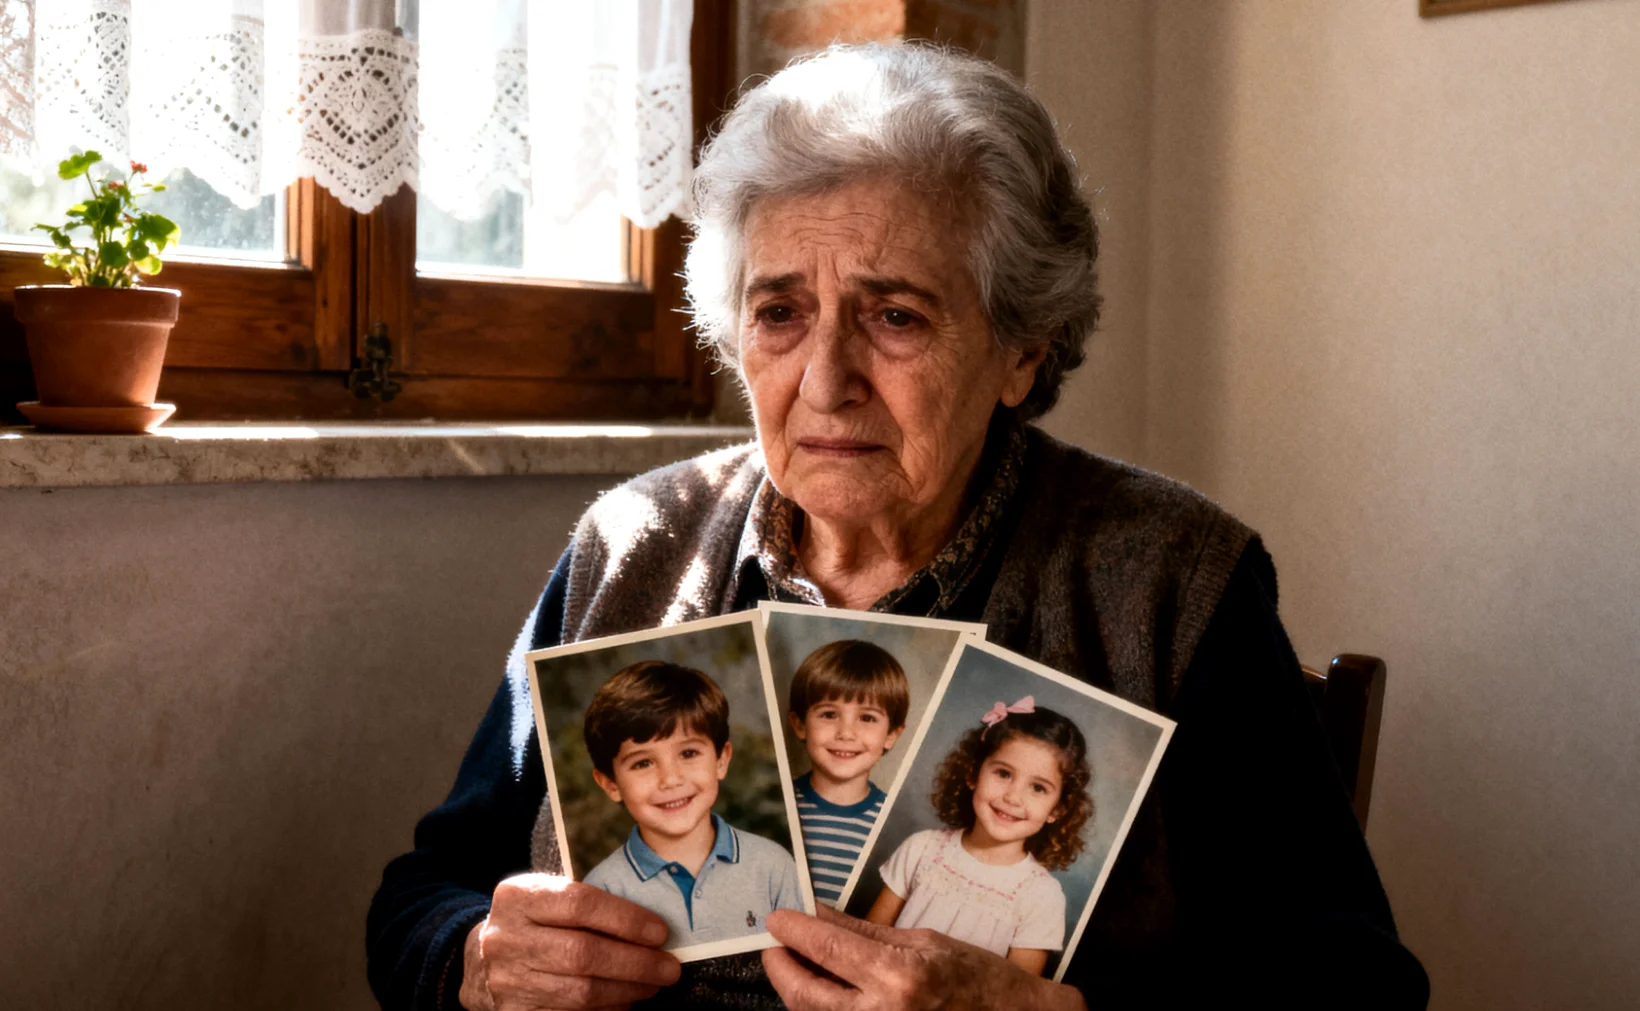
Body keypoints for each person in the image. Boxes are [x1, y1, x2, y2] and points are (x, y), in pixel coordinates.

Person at [367, 42, 1429, 1011]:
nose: (825, 382)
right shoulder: (633, 545)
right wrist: (473, 954)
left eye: (895, 317)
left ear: (1022, 350)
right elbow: (425, 894)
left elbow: (1355, 986)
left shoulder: (1171, 582)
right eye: (779, 312)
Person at [578, 660, 805, 950]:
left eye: (688, 753)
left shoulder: (774, 866)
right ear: (610, 784)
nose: (670, 780)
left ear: (721, 760)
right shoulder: (602, 890)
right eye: (643, 763)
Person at [866, 703, 1093, 977]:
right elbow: (867, 941)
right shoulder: (921, 848)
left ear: (1057, 810)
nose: (1012, 797)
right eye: (1004, 774)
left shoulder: (1042, 896)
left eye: (1038, 788)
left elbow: (1018, 996)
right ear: (973, 774)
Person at [784, 640, 910, 904]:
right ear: (799, 725)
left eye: (867, 718)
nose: (846, 733)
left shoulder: (892, 828)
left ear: (891, 735)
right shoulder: (775, 804)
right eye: (829, 714)